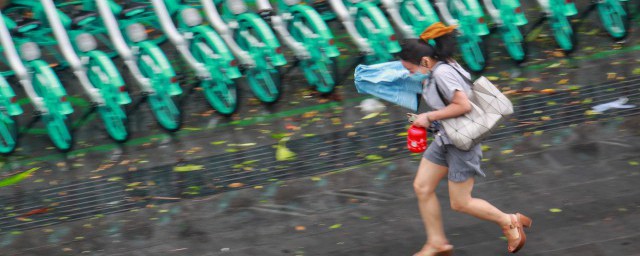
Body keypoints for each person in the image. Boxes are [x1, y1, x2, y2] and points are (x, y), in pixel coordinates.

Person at [398, 22, 532, 256]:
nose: (410, 74)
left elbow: (463, 105)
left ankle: (509, 220)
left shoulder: (441, 74)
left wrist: (428, 116)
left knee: (460, 202)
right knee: (422, 186)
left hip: (461, 143)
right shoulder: (442, 63)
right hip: (445, 138)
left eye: (410, 69)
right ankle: (437, 242)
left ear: (425, 62)